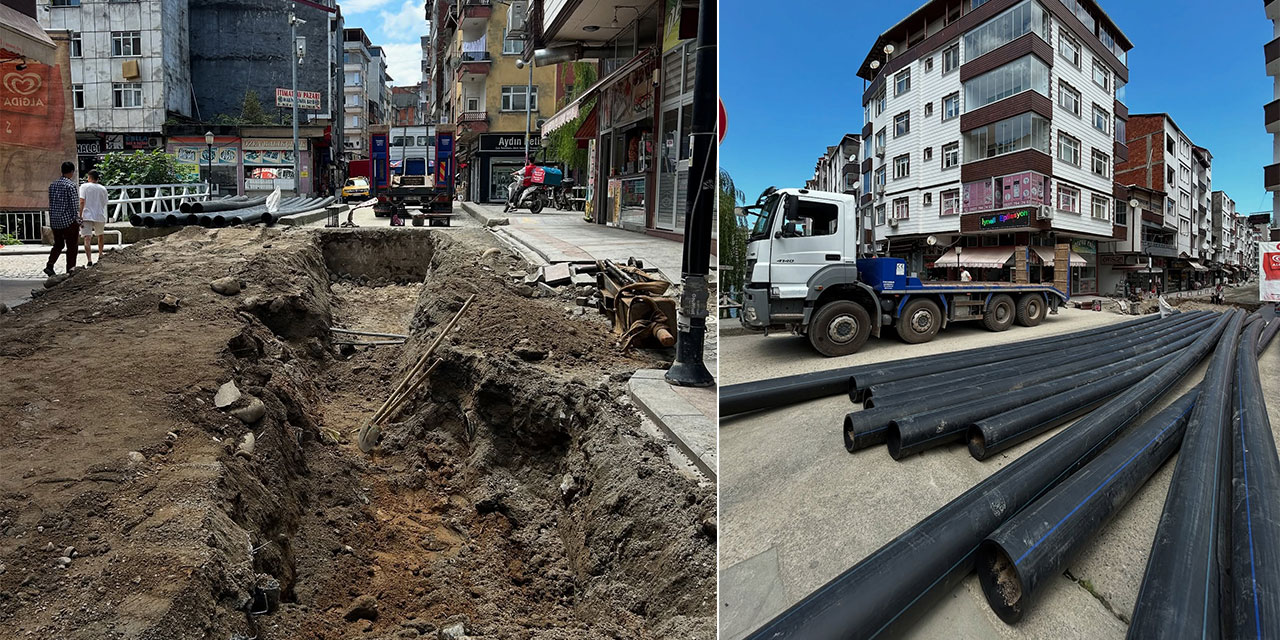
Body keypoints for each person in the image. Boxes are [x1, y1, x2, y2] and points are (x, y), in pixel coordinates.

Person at [44, 161, 80, 276]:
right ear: (72, 172)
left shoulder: (53, 185)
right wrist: (77, 219)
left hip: (55, 221)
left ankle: (50, 264)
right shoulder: (70, 185)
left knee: (58, 244)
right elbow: (74, 205)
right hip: (68, 221)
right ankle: (70, 269)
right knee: (72, 247)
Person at [79, 169, 108, 266]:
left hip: (86, 215)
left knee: (87, 238)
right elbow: (104, 202)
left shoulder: (84, 187)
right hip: (99, 215)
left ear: (89, 177)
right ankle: (100, 254)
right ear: (98, 179)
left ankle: (89, 260)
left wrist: (80, 215)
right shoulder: (103, 188)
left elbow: (82, 201)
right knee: (100, 235)